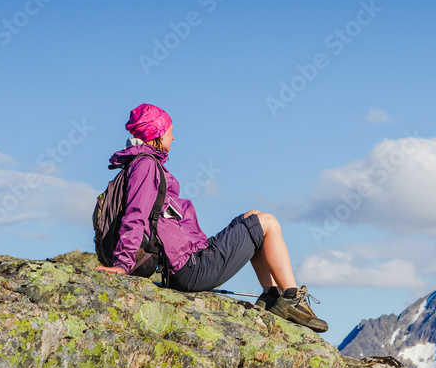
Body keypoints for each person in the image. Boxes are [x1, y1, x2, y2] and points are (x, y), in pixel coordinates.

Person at [93, 103, 327, 333]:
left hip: (190, 259)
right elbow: (135, 214)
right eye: (170, 131)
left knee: (253, 216)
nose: (173, 137)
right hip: (189, 269)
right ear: (158, 133)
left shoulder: (142, 163)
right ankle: (291, 298)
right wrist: (123, 264)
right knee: (268, 223)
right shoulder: (146, 164)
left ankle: (271, 295)